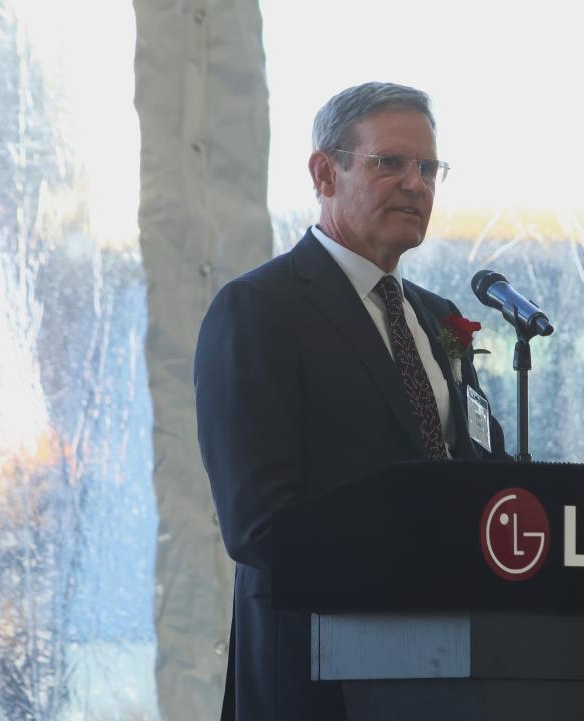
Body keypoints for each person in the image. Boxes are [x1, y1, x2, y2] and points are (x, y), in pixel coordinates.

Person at [194, 82, 507, 721]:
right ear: (323, 172)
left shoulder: (442, 319)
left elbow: (483, 477)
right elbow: (261, 526)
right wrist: (416, 559)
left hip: (455, 678)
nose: (415, 184)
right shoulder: (258, 311)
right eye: (389, 162)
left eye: (428, 168)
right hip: (318, 679)